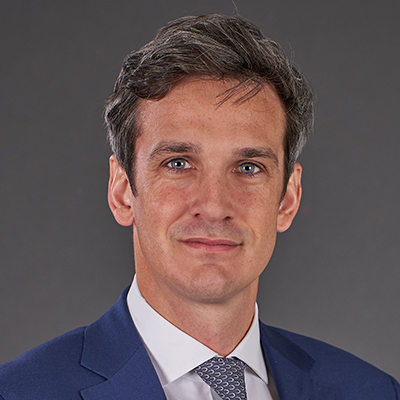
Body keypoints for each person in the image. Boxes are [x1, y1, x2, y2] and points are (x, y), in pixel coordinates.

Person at [0, 14, 398, 400]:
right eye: (178, 163)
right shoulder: (19, 392)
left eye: (248, 167)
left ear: (288, 198)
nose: (213, 206)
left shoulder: (373, 392)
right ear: (122, 191)